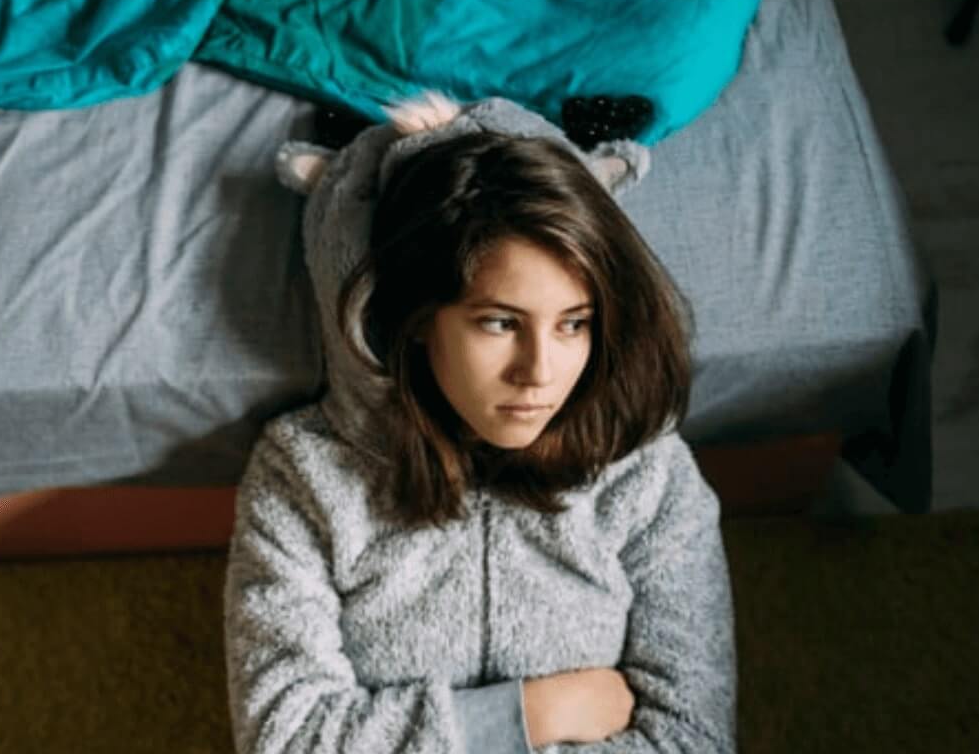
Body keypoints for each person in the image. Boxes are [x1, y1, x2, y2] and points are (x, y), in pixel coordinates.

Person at [223, 96, 735, 753]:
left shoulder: (649, 474)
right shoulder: (302, 474)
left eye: (573, 323)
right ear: (415, 320)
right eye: (500, 322)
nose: (540, 372)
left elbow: (694, 740)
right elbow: (286, 742)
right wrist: (531, 714)